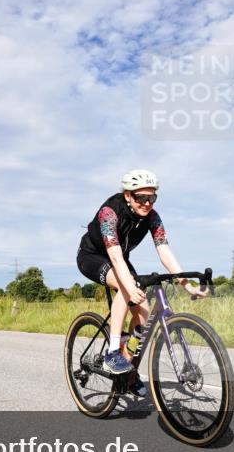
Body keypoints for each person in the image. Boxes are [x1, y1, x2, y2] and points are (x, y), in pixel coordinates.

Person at [76, 169, 207, 397]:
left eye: (152, 198)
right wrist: (129, 286)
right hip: (93, 256)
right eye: (141, 198)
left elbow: (164, 251)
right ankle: (112, 353)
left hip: (120, 258)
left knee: (143, 313)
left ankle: (127, 369)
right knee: (127, 289)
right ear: (128, 195)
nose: (147, 203)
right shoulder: (109, 212)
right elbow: (115, 257)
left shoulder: (152, 217)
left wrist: (187, 285)